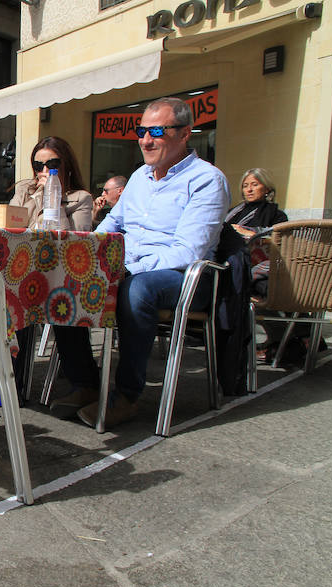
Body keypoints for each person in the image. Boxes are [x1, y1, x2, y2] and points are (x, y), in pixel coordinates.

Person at [48, 97, 230, 428]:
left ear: (185, 133)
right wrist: (89, 254)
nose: (146, 140)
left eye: (157, 131)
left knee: (136, 290)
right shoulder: (139, 178)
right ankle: (86, 382)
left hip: (186, 279)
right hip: (131, 269)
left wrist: (125, 267)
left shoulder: (206, 180)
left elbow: (187, 251)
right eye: (141, 130)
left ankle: (127, 396)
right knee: (66, 278)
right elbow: (111, 226)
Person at [225, 168, 291, 361]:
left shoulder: (277, 215)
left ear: (267, 187)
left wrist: (246, 232)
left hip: (261, 267)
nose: (249, 190)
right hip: (231, 263)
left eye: (255, 184)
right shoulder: (234, 212)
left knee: (258, 285)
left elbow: (277, 240)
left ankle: (285, 339)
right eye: (246, 186)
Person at [9, 136, 93, 231]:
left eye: (52, 164)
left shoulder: (81, 199)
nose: (45, 170)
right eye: (38, 165)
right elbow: (9, 228)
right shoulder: (25, 191)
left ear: (67, 166)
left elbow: (74, 241)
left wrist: (53, 197)